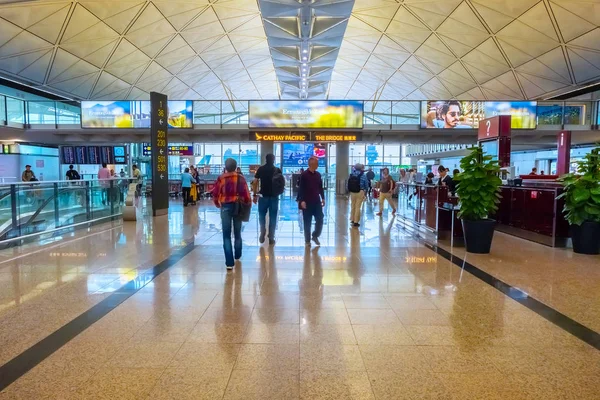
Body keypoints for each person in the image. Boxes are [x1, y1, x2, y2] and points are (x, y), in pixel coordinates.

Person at [212, 158, 251, 270]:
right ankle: (237, 255)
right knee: (238, 233)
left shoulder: (221, 178)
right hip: (238, 207)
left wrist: (217, 203)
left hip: (225, 207)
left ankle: (229, 263)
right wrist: (247, 204)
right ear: (235, 166)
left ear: (225, 167)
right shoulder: (241, 178)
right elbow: (246, 194)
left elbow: (215, 193)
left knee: (226, 234)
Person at [252, 154, 284, 245]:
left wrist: (254, 194)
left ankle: (262, 231)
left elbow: (255, 182)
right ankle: (271, 237)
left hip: (263, 197)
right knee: (273, 217)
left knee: (262, 216)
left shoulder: (261, 169)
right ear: (273, 160)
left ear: (266, 159)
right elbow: (281, 182)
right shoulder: (277, 170)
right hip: (274, 197)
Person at [297, 157, 325, 247]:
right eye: (317, 163)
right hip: (307, 202)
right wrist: (301, 201)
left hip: (317, 201)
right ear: (311, 164)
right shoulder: (304, 175)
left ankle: (315, 235)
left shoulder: (318, 175)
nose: (318, 165)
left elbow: (320, 187)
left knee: (320, 219)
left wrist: (323, 198)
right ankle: (307, 240)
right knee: (307, 222)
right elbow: (301, 188)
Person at [347, 163, 368, 227]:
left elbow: (348, 183)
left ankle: (352, 219)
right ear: (361, 168)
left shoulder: (352, 174)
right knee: (358, 207)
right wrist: (366, 192)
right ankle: (356, 221)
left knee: (353, 205)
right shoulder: (363, 175)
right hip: (360, 191)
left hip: (352, 192)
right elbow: (366, 185)